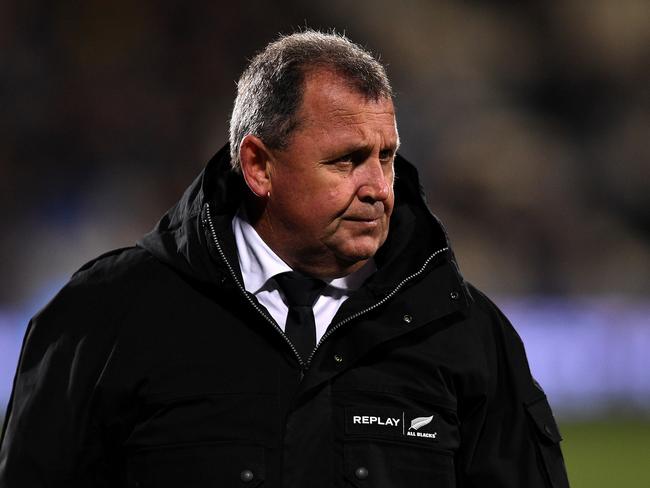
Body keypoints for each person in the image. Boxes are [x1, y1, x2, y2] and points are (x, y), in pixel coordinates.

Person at [0, 30, 570, 487]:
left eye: (387, 157)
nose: (379, 187)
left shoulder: (465, 332)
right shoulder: (102, 319)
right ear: (258, 166)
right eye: (348, 160)